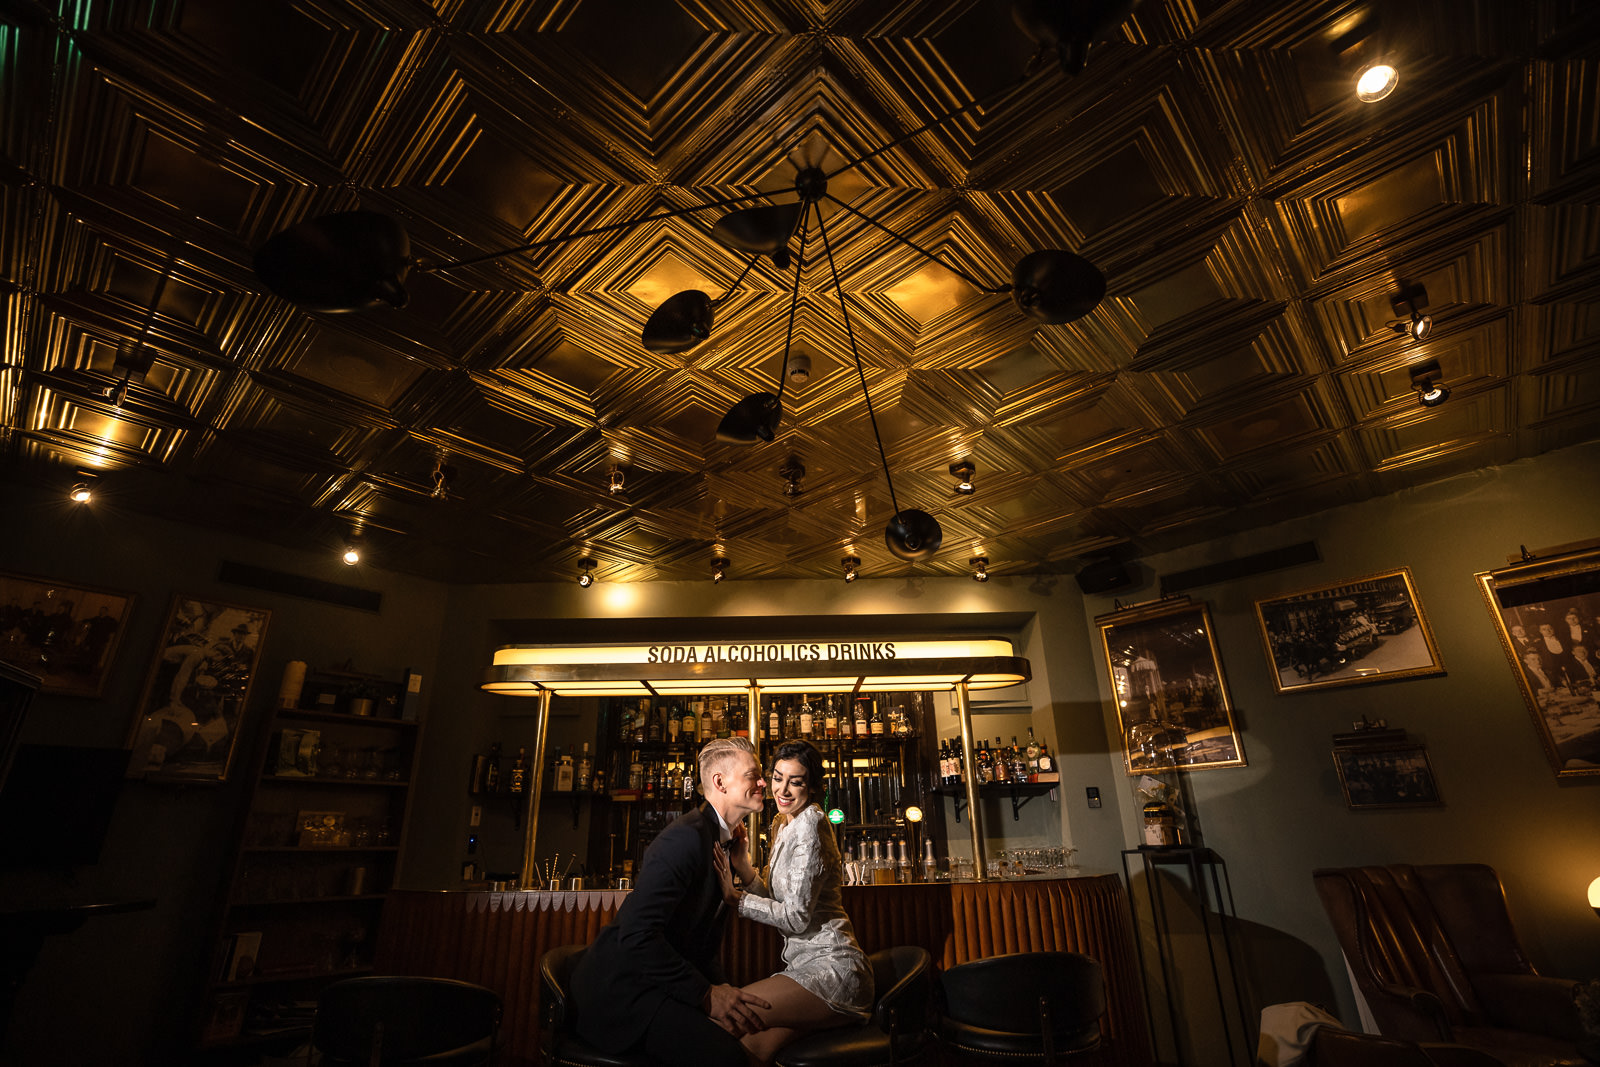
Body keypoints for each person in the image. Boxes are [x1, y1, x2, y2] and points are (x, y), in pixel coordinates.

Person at [570, 737, 772, 1067]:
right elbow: (637, 936)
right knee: (726, 1058)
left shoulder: (725, 842)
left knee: (750, 1033)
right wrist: (707, 996)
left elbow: (701, 944)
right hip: (626, 995)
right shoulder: (686, 837)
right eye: (754, 774)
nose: (763, 782)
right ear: (719, 782)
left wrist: (722, 990)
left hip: (665, 986)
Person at [714, 740, 873, 1065]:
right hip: (804, 969)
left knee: (728, 1017)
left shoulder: (811, 827)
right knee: (752, 1048)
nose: (783, 789)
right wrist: (744, 867)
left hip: (834, 970)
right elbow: (779, 903)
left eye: (795, 781)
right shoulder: (786, 825)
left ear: (812, 787)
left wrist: (736, 898)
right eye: (777, 777)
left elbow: (796, 918)